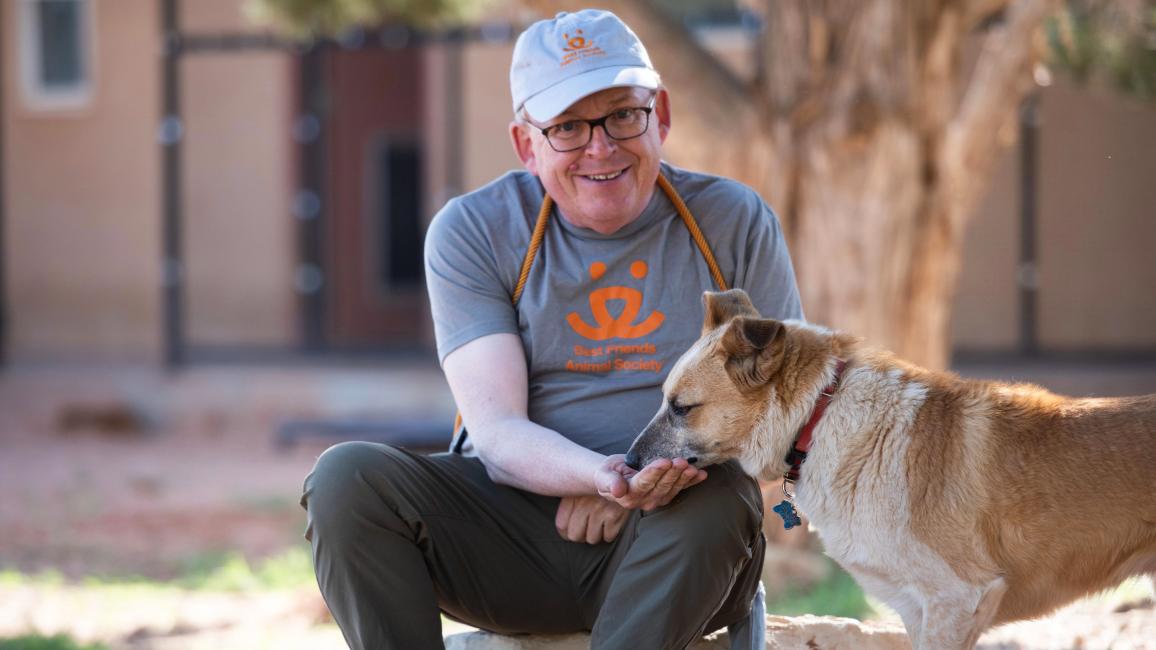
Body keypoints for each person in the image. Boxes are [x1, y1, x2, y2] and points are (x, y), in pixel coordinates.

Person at [301, 9, 803, 650]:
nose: (601, 146)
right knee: (347, 480)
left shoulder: (733, 221)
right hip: (515, 543)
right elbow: (497, 432)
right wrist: (607, 477)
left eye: (623, 114)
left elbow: (786, 422)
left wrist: (635, 495)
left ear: (662, 115)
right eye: (567, 126)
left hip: (680, 543)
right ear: (525, 144)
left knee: (721, 497)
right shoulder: (475, 230)